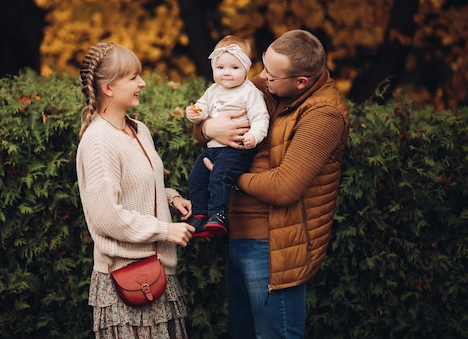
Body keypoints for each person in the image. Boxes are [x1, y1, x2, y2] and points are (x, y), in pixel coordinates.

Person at [194, 30, 350, 339]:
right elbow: (211, 120)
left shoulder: (324, 115)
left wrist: (225, 176)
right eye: (264, 66)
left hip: (273, 245)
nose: (261, 77)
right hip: (239, 233)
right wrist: (209, 127)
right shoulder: (269, 87)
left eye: (271, 74)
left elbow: (284, 188)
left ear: (301, 82)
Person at [76, 42, 196, 339]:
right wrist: (164, 230)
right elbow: (107, 215)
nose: (142, 83)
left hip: (159, 274)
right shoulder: (98, 141)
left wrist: (172, 198)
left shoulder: (138, 129)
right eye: (132, 77)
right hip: (126, 280)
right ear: (108, 88)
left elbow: (140, 187)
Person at [185, 35, 269, 237]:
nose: (227, 73)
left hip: (236, 150)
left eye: (234, 68)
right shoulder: (213, 90)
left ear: (246, 69)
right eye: (220, 68)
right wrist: (195, 115)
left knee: (220, 177)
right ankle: (200, 215)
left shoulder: (250, 92)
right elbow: (202, 108)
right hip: (213, 148)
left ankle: (218, 215)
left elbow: (261, 117)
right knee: (197, 178)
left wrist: (254, 136)